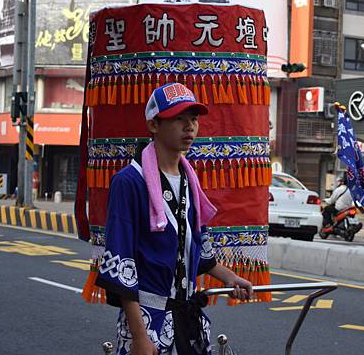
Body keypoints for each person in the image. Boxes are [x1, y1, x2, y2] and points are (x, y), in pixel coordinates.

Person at [96, 82, 253, 355]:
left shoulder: (189, 179)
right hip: (147, 321)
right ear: (154, 125)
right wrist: (139, 337)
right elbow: (122, 262)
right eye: (178, 119)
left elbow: (193, 246)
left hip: (186, 320)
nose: (189, 126)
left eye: (193, 119)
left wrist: (229, 277)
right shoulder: (129, 182)